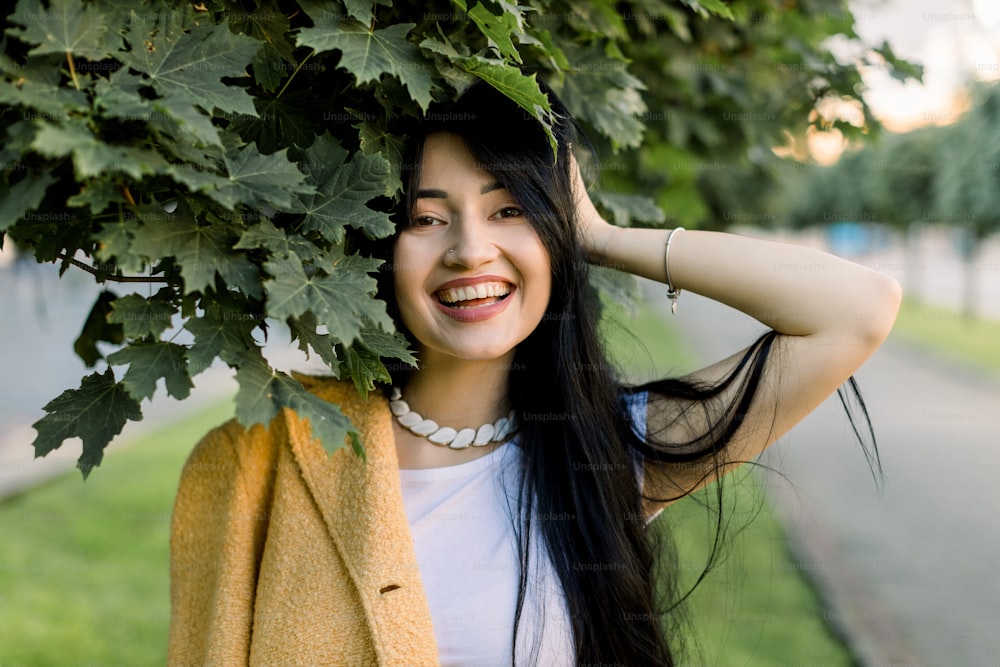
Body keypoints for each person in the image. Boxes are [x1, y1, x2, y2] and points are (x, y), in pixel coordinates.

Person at [168, 81, 901, 666]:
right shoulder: (270, 456)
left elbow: (855, 309)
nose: (470, 250)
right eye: (426, 218)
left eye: (510, 208)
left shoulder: (609, 451)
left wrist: (600, 236)